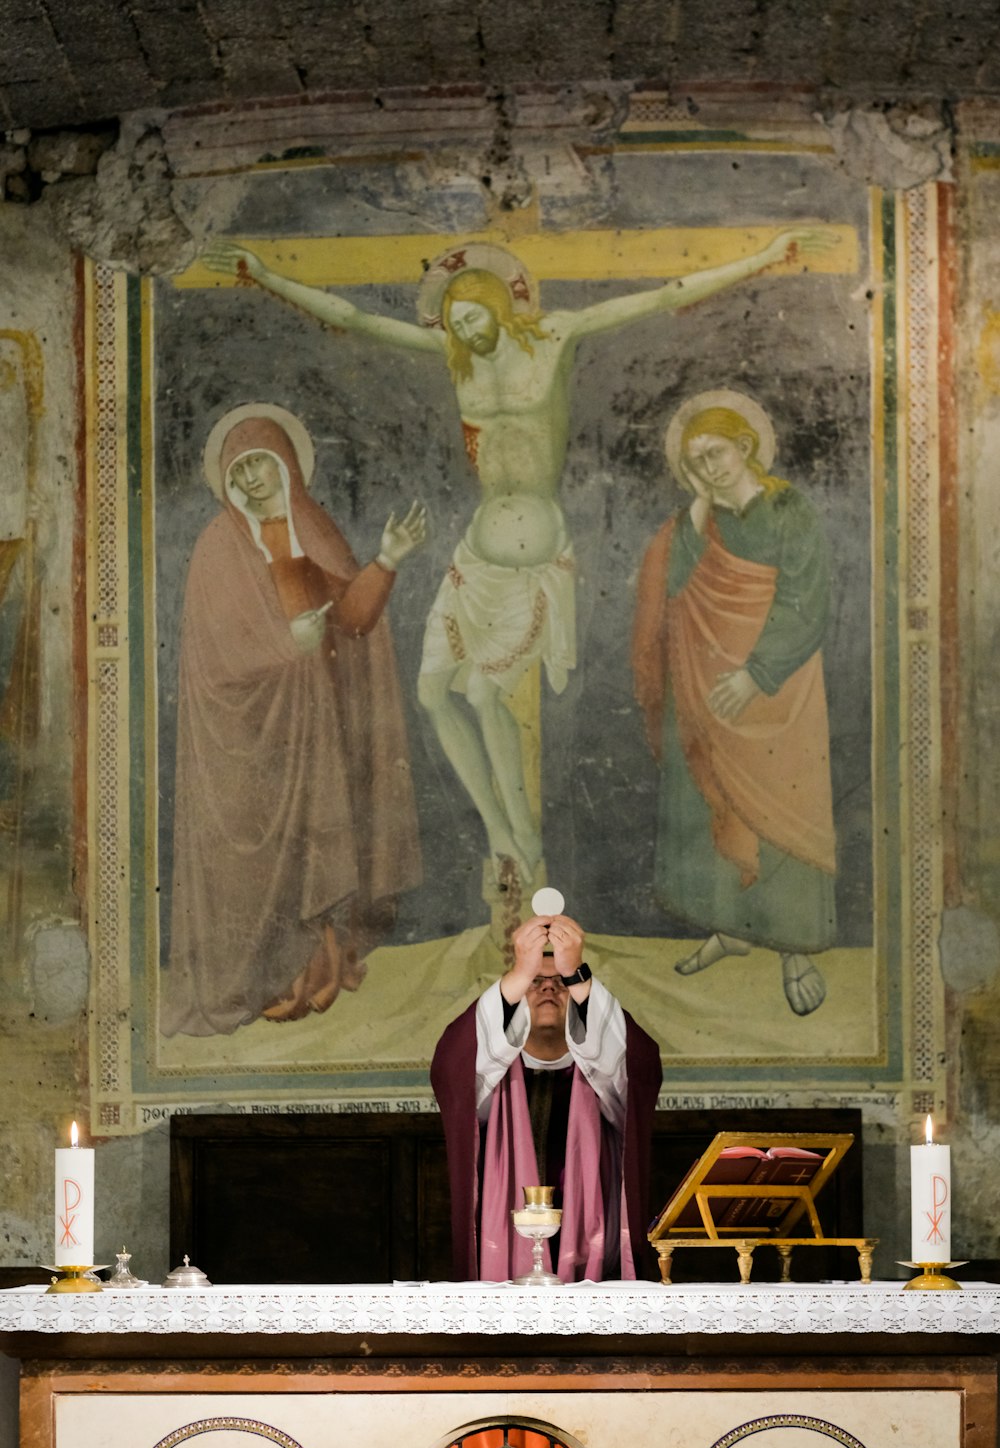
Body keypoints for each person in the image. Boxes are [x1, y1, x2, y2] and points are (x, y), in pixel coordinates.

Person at [202, 228, 837, 886]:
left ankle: (527, 840)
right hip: (476, 553)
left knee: (480, 690)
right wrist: (267, 275)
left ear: (497, 307)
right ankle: (500, 831)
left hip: (532, 555)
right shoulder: (456, 355)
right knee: (431, 694)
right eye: (455, 323)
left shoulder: (555, 336)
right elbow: (356, 318)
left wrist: (762, 257)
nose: (467, 330)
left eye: (473, 315)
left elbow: (660, 296)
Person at [161, 403, 427, 1036]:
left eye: (264, 468)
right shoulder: (215, 548)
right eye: (242, 473)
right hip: (248, 739)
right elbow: (214, 659)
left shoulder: (313, 529)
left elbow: (353, 623)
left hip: (317, 730)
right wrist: (288, 650)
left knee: (317, 849)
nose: (255, 483)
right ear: (227, 481)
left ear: (289, 469)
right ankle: (252, 979)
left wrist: (385, 562)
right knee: (254, 865)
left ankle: (309, 976)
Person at [631, 391, 837, 1016]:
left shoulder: (787, 510)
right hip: (705, 689)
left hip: (779, 694)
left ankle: (794, 947)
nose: (707, 470)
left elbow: (808, 601)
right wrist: (695, 517)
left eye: (714, 454)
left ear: (745, 446)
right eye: (694, 464)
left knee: (782, 809)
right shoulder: (698, 522)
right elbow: (671, 597)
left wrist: (758, 673)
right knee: (710, 799)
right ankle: (729, 927)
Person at [430, 912, 663, 1282]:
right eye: (536, 982)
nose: (549, 989)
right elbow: (450, 1067)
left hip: (593, 1252)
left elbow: (640, 1067)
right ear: (517, 997)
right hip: (503, 1250)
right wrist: (518, 973)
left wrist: (579, 973)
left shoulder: (599, 1070)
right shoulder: (493, 1074)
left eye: (561, 982)